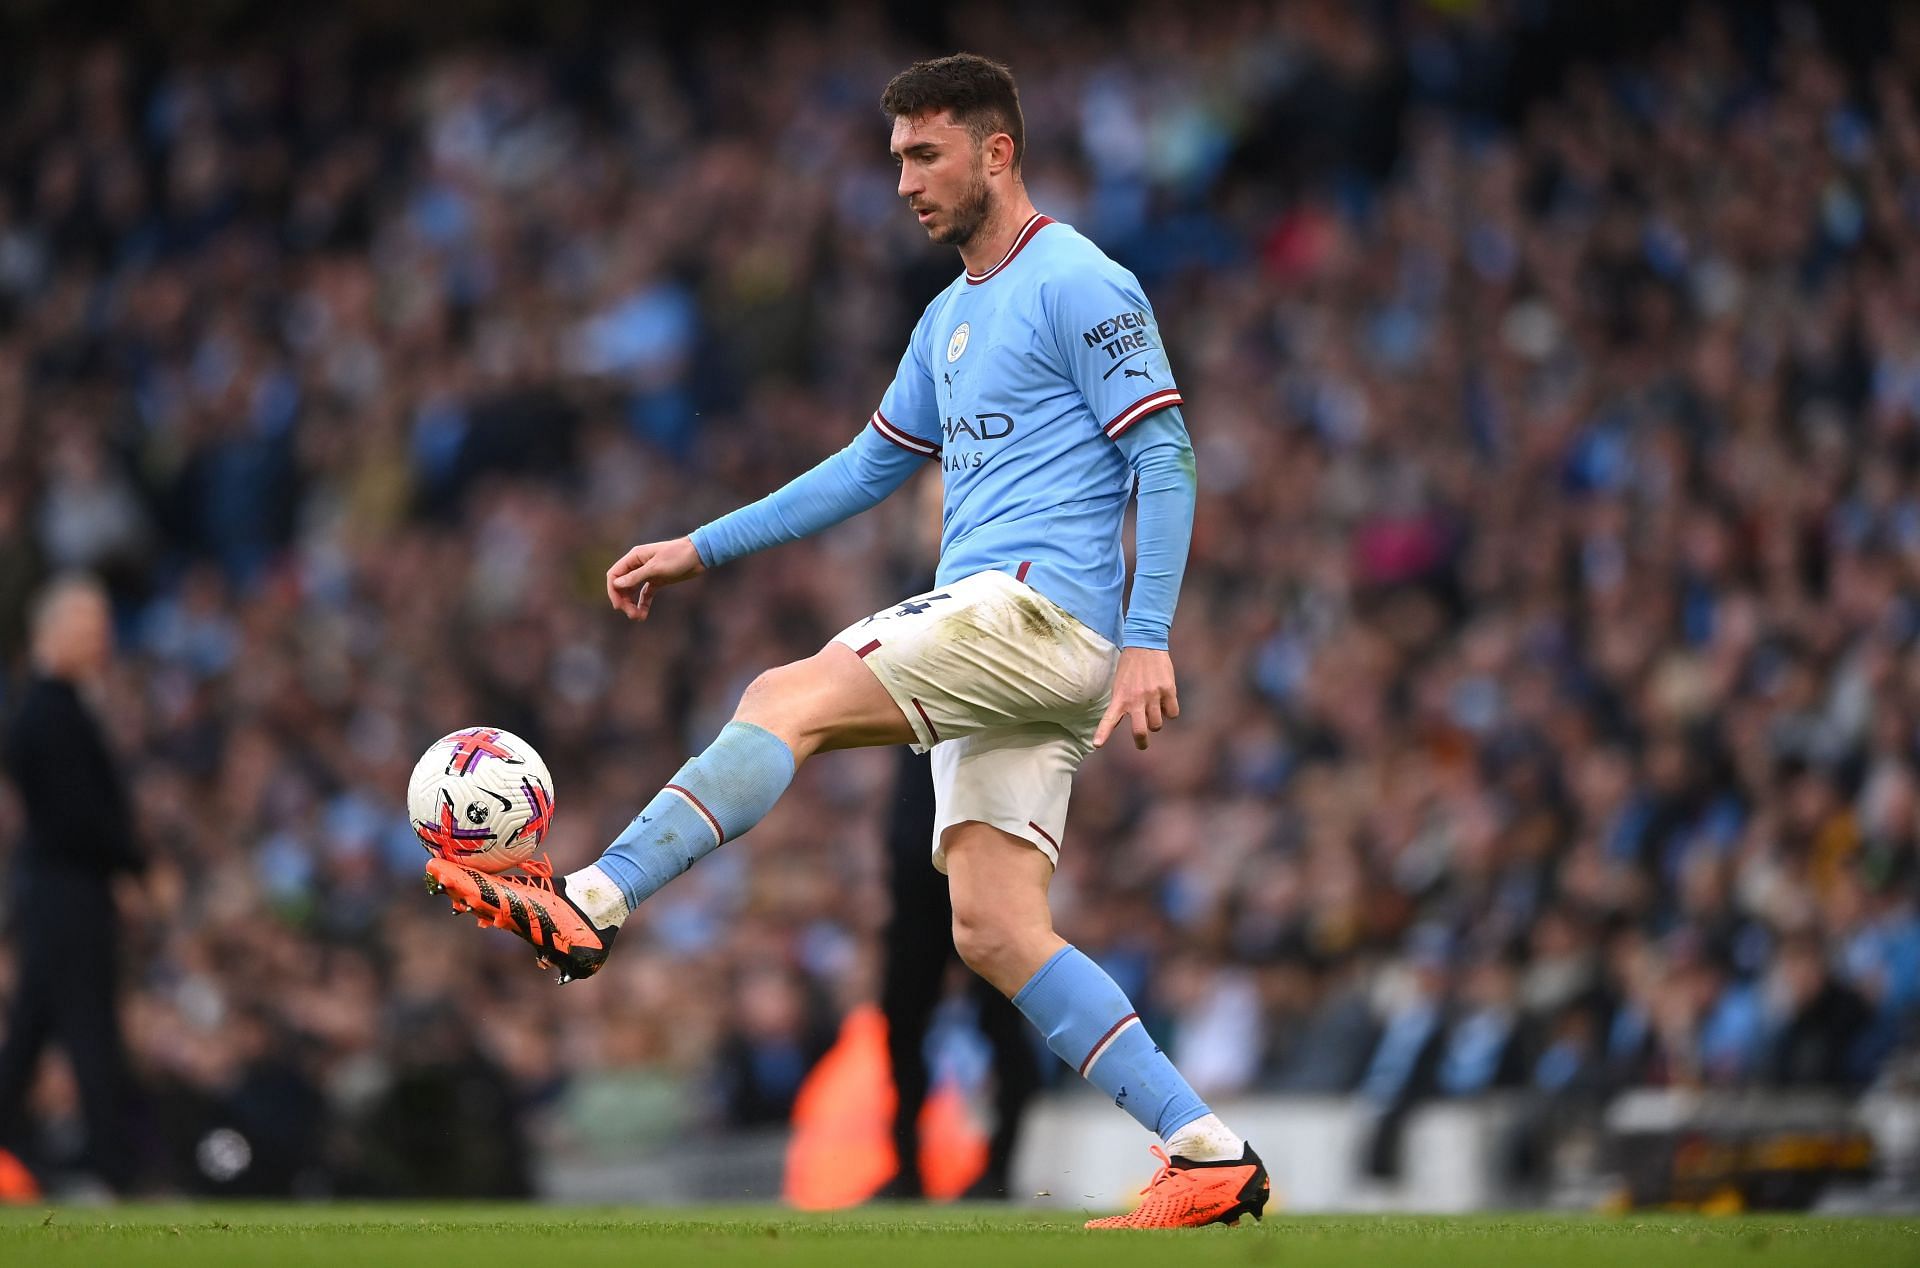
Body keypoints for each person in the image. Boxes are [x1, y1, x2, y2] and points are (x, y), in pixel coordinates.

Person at [426, 53, 1267, 1229]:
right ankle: (1208, 1146)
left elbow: (1165, 454)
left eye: (927, 155)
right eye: (898, 160)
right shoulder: (947, 317)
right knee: (994, 926)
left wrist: (1149, 634)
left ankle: (595, 899)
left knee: (785, 691)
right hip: (1014, 648)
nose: (908, 182)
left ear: (997, 151)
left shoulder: (1082, 278)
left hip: (1034, 610)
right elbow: (869, 467)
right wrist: (700, 546)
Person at [0, 575, 145, 1192]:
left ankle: (103, 1167)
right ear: (53, 632)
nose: (103, 638)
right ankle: (113, 1172)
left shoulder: (54, 706)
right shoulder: (51, 710)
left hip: (60, 890)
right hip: (70, 892)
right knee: (88, 1030)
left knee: (36, 1029)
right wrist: (135, 864)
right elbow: (79, 816)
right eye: (90, 625)